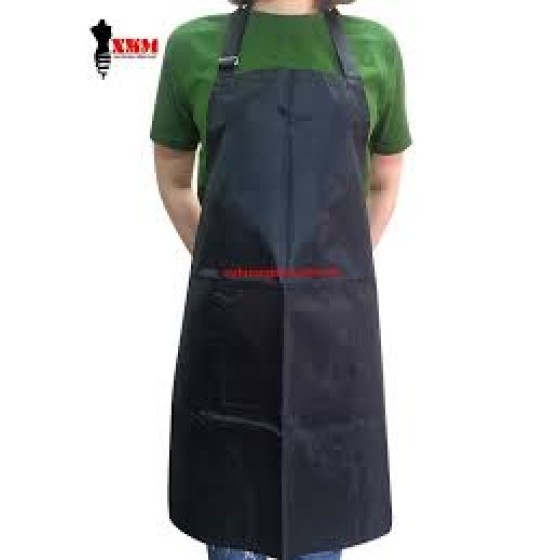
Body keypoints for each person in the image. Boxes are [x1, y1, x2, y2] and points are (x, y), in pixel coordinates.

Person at [149, 1, 412, 559]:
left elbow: (385, 180)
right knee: (232, 508)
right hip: (231, 324)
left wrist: (339, 269)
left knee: (319, 513)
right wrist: (222, 261)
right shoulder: (192, 46)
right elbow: (174, 177)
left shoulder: (376, 48)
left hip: (330, 332)